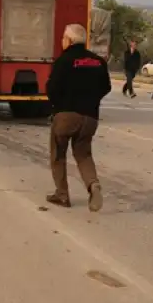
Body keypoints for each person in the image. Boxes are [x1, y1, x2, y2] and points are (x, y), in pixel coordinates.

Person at [45, 24, 111, 212]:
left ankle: (62, 194)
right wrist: (91, 101)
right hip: (90, 118)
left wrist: (58, 107)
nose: (62, 41)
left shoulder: (64, 60)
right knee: (83, 154)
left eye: (63, 38)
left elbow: (52, 88)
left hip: (66, 116)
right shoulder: (98, 61)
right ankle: (93, 184)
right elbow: (106, 87)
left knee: (58, 154)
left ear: (69, 40)